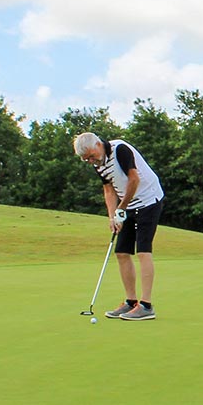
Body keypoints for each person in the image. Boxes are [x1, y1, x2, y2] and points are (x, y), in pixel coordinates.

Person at [73, 132, 165, 321]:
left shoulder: (120, 150)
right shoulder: (99, 164)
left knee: (143, 250)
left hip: (149, 200)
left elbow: (134, 180)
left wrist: (121, 209)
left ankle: (146, 306)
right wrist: (112, 216)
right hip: (128, 204)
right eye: (86, 159)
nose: (90, 161)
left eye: (91, 156)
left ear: (98, 144)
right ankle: (131, 302)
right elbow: (108, 189)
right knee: (122, 252)